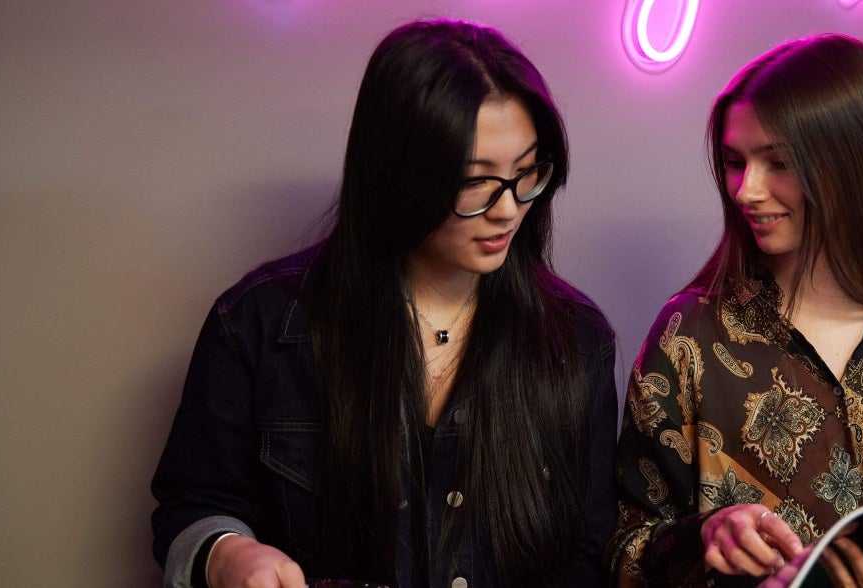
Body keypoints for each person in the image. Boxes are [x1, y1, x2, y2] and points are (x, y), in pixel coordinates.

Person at [151, 19, 618, 588]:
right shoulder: (258, 323)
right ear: (399, 175)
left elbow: (590, 547)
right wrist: (227, 553)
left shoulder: (575, 337)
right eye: (476, 181)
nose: (508, 209)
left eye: (526, 173)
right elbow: (192, 505)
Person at [608, 33, 863, 587]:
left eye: (779, 163)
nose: (746, 191)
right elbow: (624, 552)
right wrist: (703, 535)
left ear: (852, 163)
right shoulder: (688, 336)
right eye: (734, 162)